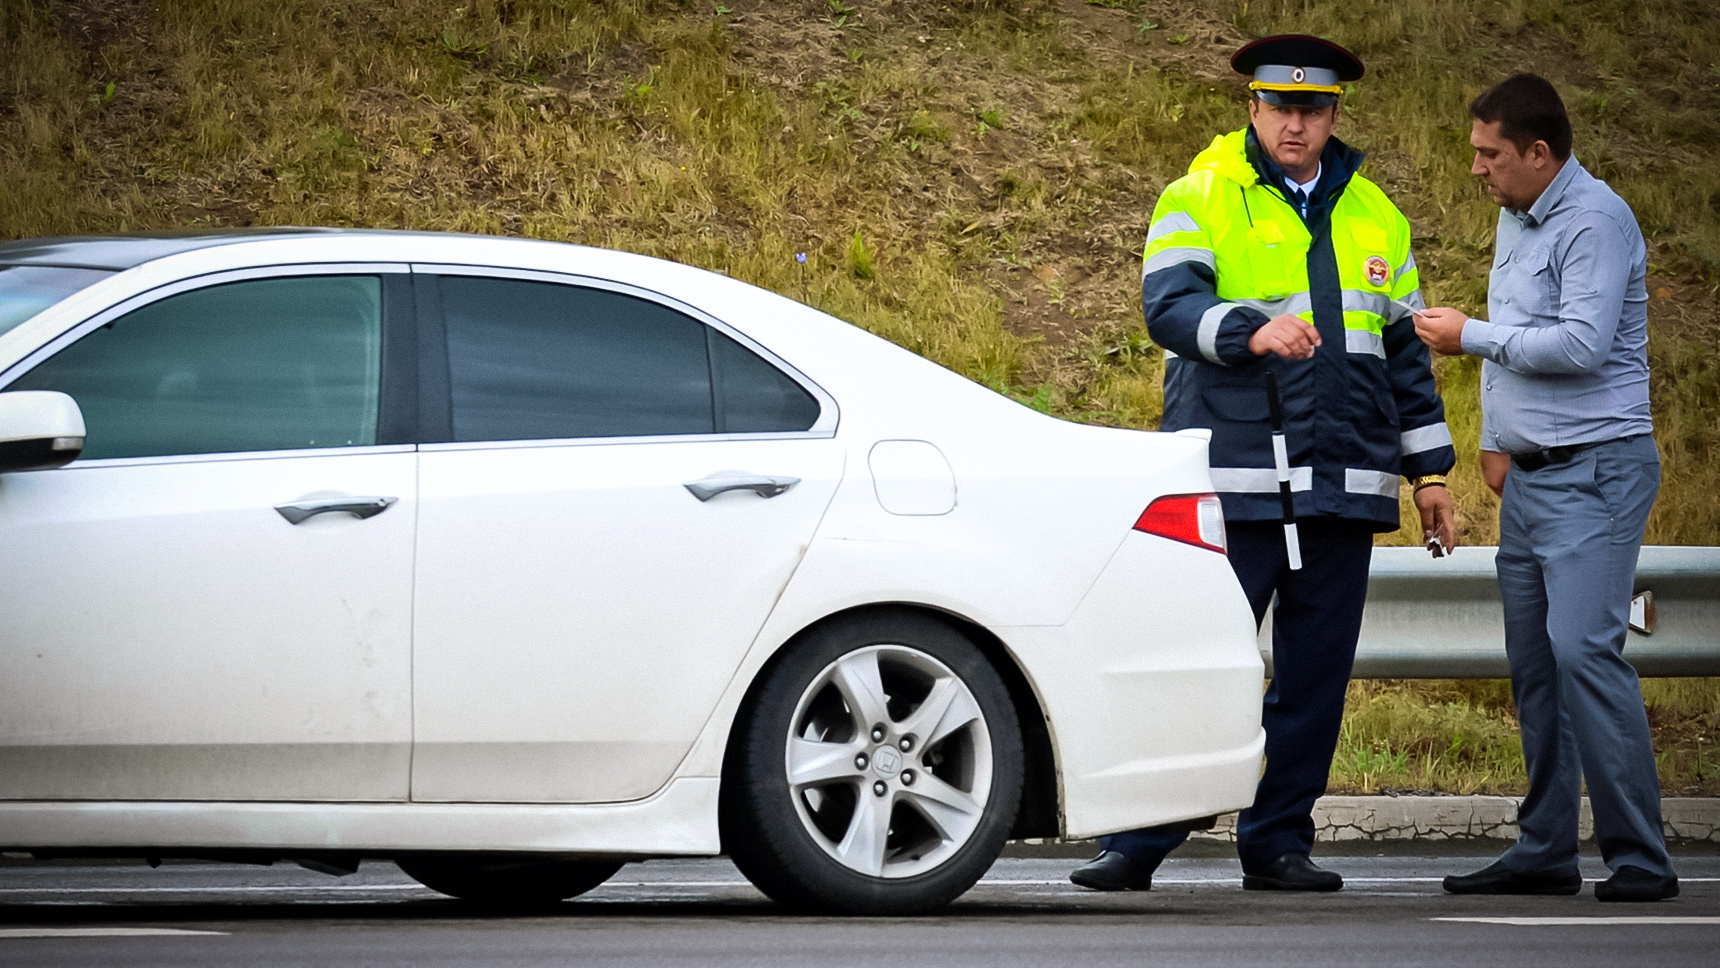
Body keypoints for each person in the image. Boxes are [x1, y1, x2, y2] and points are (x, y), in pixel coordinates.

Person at [1070, 35, 1457, 894]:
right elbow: (1167, 308)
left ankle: (1278, 841)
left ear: (1333, 117)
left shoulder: (1376, 214)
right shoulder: (1198, 195)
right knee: (1198, 667)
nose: (1295, 122)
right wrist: (1251, 329)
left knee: (1313, 681)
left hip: (1342, 485)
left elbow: (1405, 358)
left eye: (1312, 109)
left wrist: (1428, 473)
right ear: (1252, 107)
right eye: (1279, 106)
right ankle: (1137, 842)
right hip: (1234, 482)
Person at [1414, 73, 1678, 903]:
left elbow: (1579, 345)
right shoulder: (1517, 214)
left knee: (1583, 654)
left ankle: (1641, 857)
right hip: (1533, 477)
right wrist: (1496, 442)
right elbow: (1522, 323)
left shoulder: (1596, 219)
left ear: (1539, 152)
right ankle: (1545, 850)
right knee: (1535, 666)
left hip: (1595, 471)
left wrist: (1470, 338)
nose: (1477, 170)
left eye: (1491, 154)